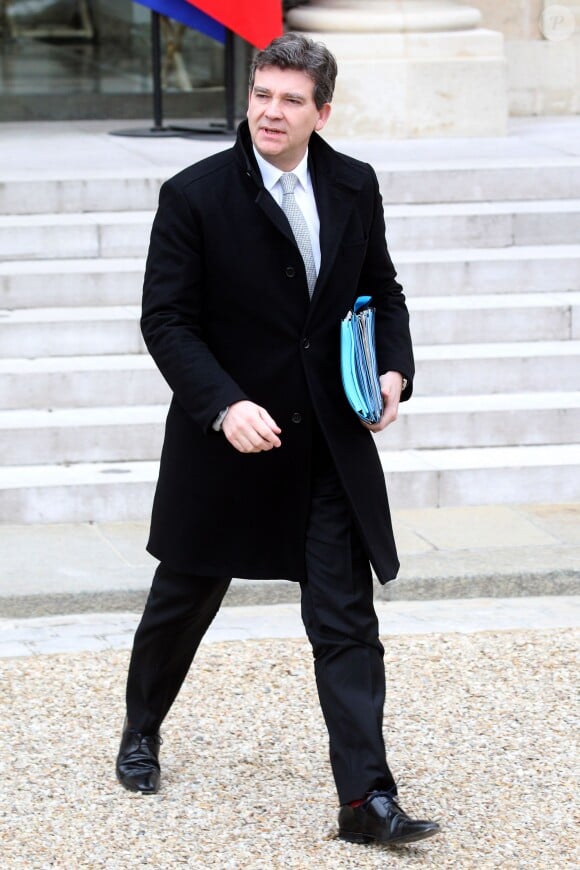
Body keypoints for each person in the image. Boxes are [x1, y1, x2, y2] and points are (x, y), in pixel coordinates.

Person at [116, 33, 440, 847]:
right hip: (228, 442)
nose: (270, 110)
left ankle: (366, 800)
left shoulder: (354, 185)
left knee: (345, 621)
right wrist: (224, 406)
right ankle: (141, 727)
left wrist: (393, 371)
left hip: (328, 442)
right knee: (182, 602)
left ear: (321, 111)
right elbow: (167, 320)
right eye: (263, 94)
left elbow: (382, 290)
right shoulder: (193, 194)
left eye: (291, 99)